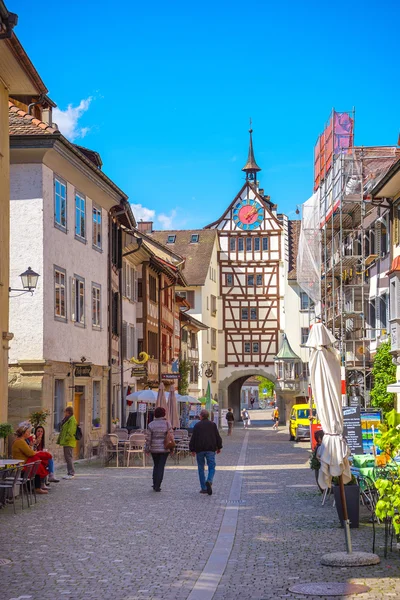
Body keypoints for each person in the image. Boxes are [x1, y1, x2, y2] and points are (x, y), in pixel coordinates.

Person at [189, 409, 222, 496]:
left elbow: (193, 438)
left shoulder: (197, 425)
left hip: (199, 450)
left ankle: (203, 488)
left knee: (201, 468)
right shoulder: (213, 425)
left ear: (201, 416)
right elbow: (217, 436)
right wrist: (219, 447)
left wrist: (192, 449)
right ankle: (209, 480)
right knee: (212, 466)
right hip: (210, 449)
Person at [12, 424, 52, 494]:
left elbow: (29, 451)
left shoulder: (21, 441)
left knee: (37, 462)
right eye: (28, 431)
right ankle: (37, 487)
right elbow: (30, 453)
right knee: (37, 463)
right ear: (24, 433)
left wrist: (31, 446)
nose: (29, 433)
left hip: (24, 462)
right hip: (22, 464)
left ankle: (38, 486)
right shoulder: (20, 441)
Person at [145, 406, 173, 492]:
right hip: (164, 449)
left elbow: (148, 438)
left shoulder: (151, 424)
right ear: (163, 414)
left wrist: (147, 449)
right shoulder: (167, 424)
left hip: (154, 449)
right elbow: (171, 438)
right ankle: (158, 485)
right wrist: (172, 449)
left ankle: (154, 483)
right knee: (161, 466)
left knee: (156, 465)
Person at [57, 406, 77, 479]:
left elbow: (71, 431)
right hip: (66, 441)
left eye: (65, 412)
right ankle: (69, 472)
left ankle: (71, 473)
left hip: (69, 442)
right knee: (67, 457)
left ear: (68, 412)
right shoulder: (68, 419)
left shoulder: (71, 420)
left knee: (68, 457)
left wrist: (66, 439)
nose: (64, 413)